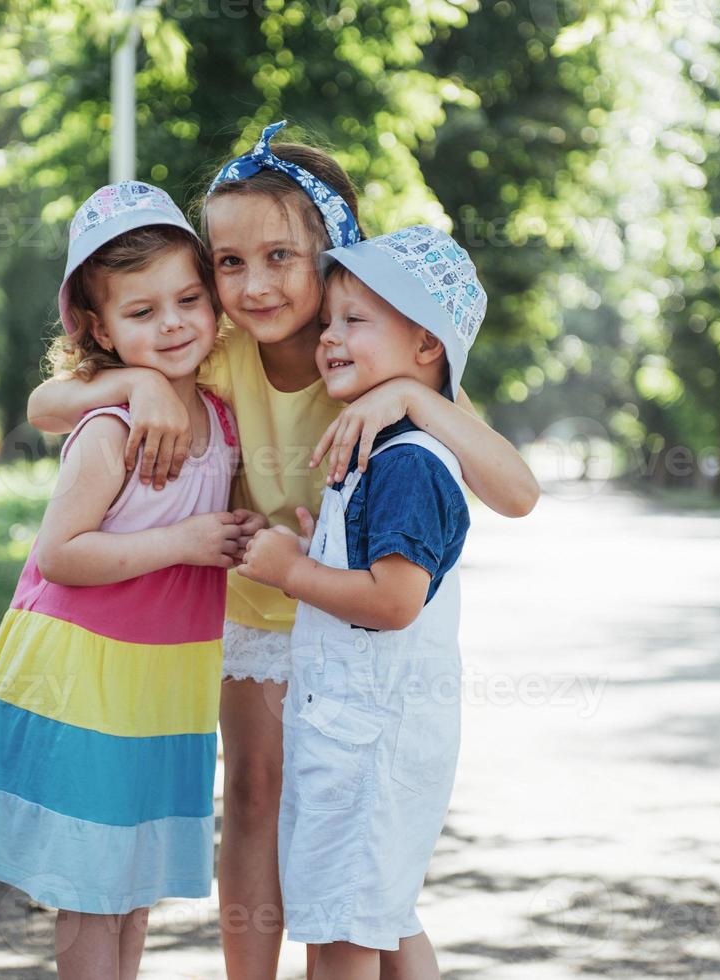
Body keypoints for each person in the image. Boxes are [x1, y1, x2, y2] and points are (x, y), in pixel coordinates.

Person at [25, 121, 539, 979]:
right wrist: (138, 379)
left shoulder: (378, 357)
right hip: (260, 611)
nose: (253, 286)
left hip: (353, 628)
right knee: (258, 795)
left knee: (350, 835)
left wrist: (414, 393)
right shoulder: (222, 352)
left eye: (278, 258)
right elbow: (49, 404)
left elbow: (517, 491)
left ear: (333, 255)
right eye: (229, 263)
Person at [0, 181, 260, 980]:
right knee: (90, 886)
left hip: (161, 677)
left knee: (132, 878)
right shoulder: (109, 428)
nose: (173, 322)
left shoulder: (221, 417)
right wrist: (184, 539)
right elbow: (60, 554)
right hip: (86, 673)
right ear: (99, 328)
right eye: (141, 313)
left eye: (188, 298)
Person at [239, 224, 488, 980]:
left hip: (369, 745)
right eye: (329, 322)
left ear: (425, 348)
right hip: (355, 737)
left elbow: (393, 601)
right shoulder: (383, 450)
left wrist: (291, 571)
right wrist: (322, 548)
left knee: (343, 937)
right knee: (379, 918)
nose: (329, 340)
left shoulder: (410, 460)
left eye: (355, 321)